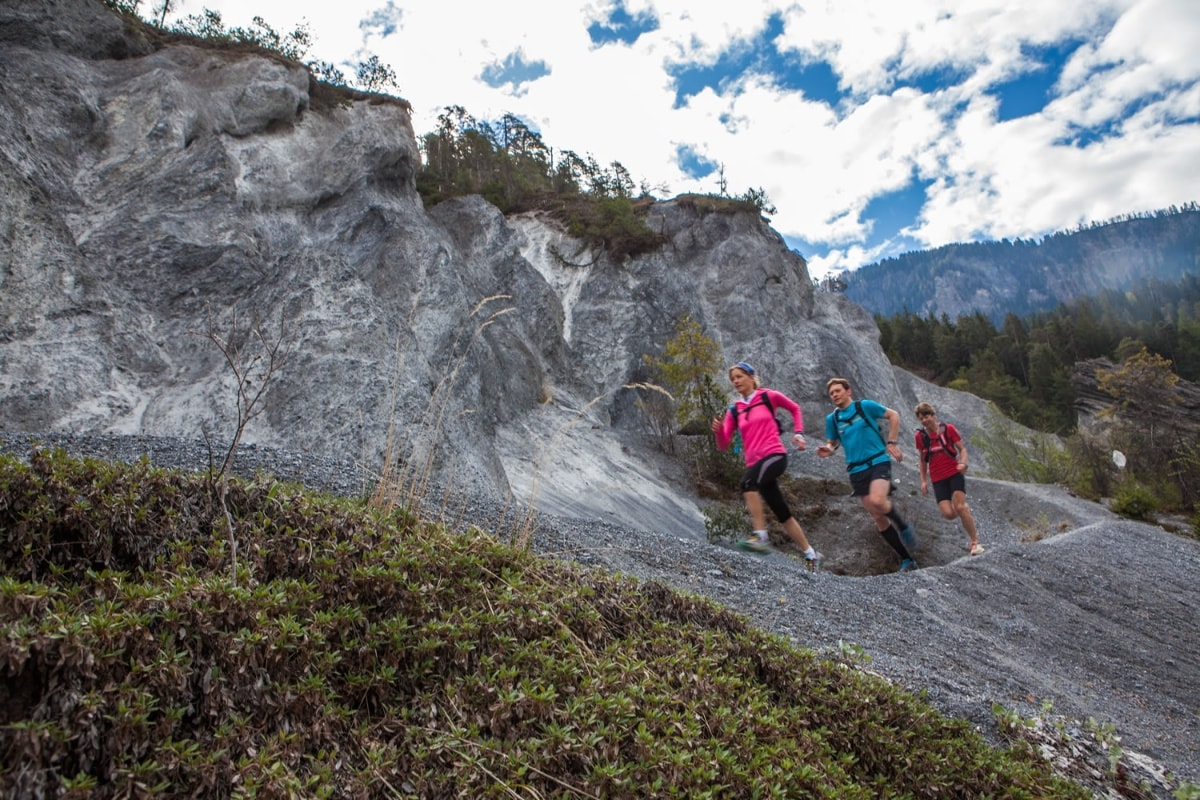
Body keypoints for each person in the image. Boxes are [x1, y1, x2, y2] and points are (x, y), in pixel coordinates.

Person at [711, 361, 824, 572]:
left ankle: (760, 536)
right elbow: (723, 445)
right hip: (756, 463)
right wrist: (718, 431)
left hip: (774, 456)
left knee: (747, 483)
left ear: (752, 377)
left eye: (739, 376)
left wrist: (798, 432)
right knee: (782, 513)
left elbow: (794, 408)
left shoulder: (767, 396)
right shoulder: (735, 410)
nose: (736, 381)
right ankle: (811, 555)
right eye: (733, 378)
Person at [815, 377, 919, 572]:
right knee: (878, 517)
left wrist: (892, 442)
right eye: (831, 393)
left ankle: (903, 526)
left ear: (848, 391)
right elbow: (833, 442)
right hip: (856, 469)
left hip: (878, 461)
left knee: (878, 500)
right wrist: (829, 449)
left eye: (838, 390)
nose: (835, 395)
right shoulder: (833, 419)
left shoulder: (865, 407)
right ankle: (907, 559)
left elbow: (894, 415)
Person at [914, 402, 985, 556]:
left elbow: (962, 449)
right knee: (948, 514)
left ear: (933, 415)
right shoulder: (921, 436)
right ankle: (965, 512)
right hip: (937, 478)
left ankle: (975, 542)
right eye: (921, 419)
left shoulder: (948, 429)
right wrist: (923, 480)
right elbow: (922, 460)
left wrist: (963, 463)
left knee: (959, 506)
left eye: (926, 416)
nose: (924, 420)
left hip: (954, 472)